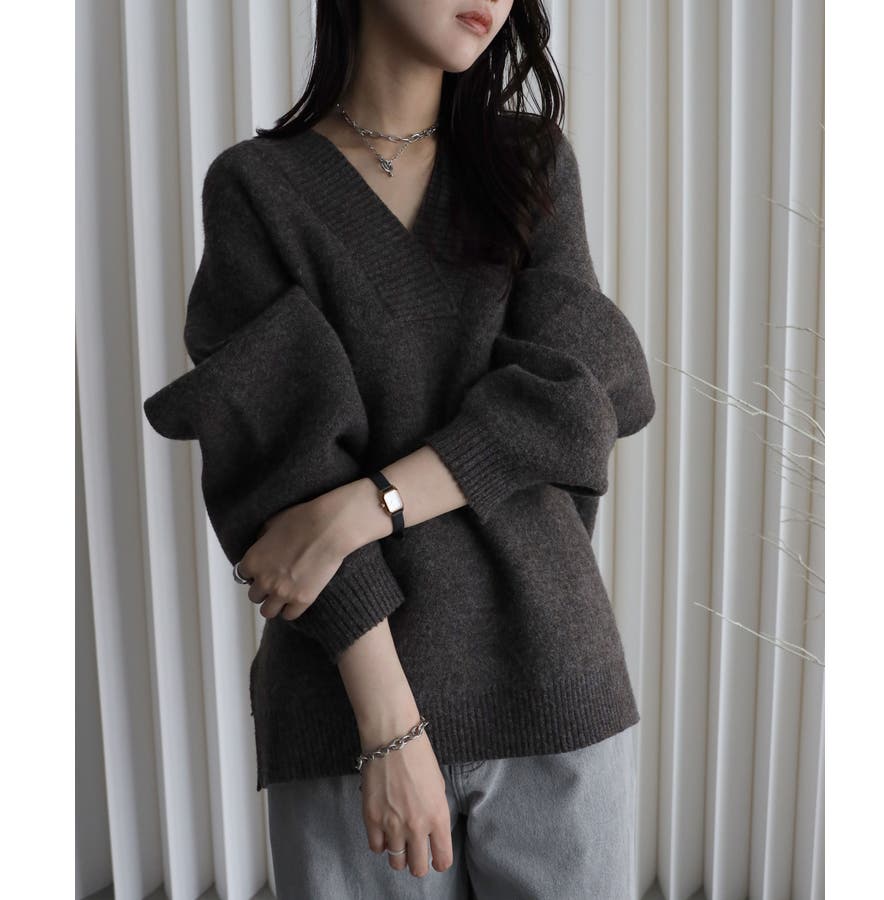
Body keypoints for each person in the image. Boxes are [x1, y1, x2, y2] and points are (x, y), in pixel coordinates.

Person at [143, 0, 656, 896]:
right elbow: (281, 478)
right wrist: (389, 728)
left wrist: (367, 505)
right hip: (346, 720)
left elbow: (580, 401)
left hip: (552, 681)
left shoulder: (529, 163)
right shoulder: (260, 188)